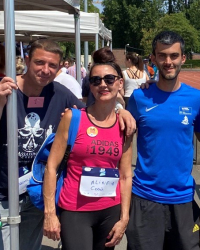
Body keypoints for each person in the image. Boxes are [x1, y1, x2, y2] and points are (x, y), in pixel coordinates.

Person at [0, 40, 135, 250]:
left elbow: (93, 115)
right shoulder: (0, 89)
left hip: (35, 191)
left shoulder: (61, 94)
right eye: (40, 62)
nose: (45, 70)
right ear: (28, 61)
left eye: (52, 65)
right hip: (1, 191)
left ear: (60, 68)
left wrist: (120, 111)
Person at [125, 31, 200, 250]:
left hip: (182, 198)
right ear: (153, 58)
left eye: (174, 56)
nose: (168, 62)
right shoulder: (139, 97)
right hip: (144, 197)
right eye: (162, 56)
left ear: (183, 58)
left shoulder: (196, 98)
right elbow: (123, 138)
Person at [43, 49, 133, 250]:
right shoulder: (72, 118)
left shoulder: (125, 125)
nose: (103, 84)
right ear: (90, 86)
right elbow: (51, 167)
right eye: (96, 80)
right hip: (75, 210)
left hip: (110, 210)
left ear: (120, 83)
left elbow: (126, 175)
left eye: (109, 79)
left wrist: (124, 218)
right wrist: (50, 213)